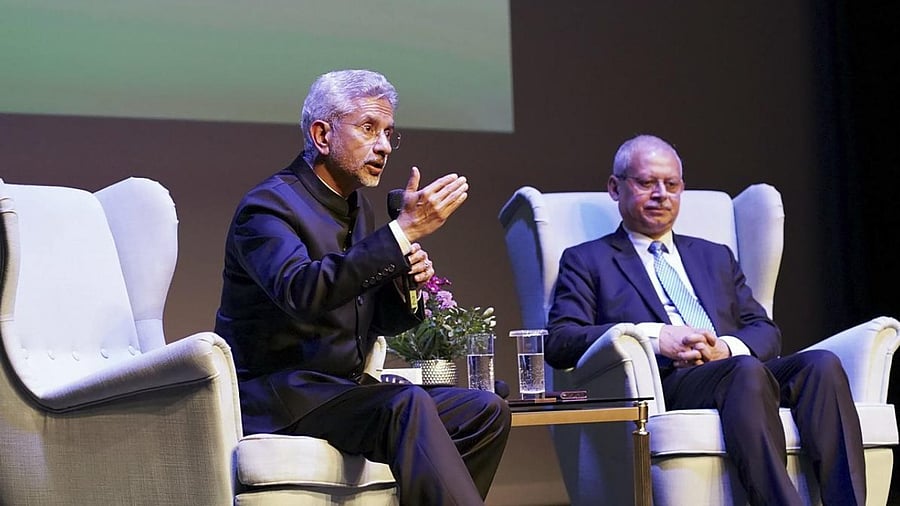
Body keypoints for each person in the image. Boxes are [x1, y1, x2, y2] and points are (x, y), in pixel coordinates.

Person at [215, 69, 510, 505]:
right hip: (285, 396)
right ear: (322, 135)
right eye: (369, 128)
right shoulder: (267, 208)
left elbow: (372, 320)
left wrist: (406, 281)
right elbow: (302, 292)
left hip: (341, 391)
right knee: (406, 404)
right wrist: (400, 234)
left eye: (389, 133)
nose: (384, 146)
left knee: (485, 411)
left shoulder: (359, 209)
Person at [546, 134, 865, 505]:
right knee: (745, 371)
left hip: (735, 369)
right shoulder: (588, 259)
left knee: (821, 365)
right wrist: (655, 338)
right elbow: (561, 340)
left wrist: (724, 349)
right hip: (669, 382)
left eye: (672, 185)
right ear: (615, 188)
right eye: (647, 183)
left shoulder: (715, 256)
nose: (661, 194)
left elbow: (764, 330)